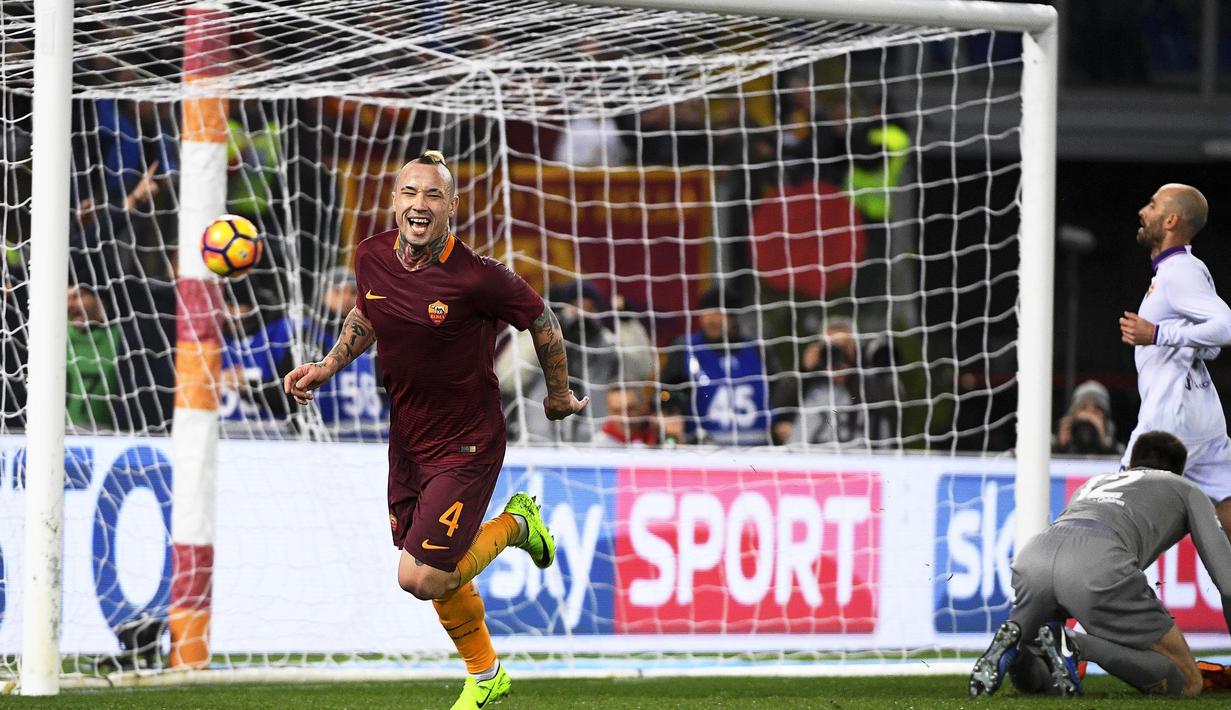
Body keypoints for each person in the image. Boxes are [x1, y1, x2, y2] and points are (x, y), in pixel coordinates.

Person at [283, 150, 587, 710]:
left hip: (467, 440)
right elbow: (368, 314)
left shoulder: (477, 276)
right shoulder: (371, 255)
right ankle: (486, 674)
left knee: (420, 577)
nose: (419, 205)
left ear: (451, 206)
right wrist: (328, 364)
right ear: (394, 201)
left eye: (432, 196)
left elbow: (542, 319)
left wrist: (560, 393)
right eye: (409, 193)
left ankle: (518, 524)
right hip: (408, 438)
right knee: (431, 566)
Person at [969, 431, 1231, 697]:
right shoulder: (1185, 487)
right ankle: (1076, 644)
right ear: (1180, 471)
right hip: (1098, 565)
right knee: (1188, 683)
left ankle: (1019, 652)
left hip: (1034, 557)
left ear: (1128, 464)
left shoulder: (1094, 482)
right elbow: (1228, 583)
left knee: (1041, 684)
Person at [1117, 184, 1231, 537]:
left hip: (1169, 419)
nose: (1143, 211)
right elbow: (1209, 341)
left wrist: (1157, 335)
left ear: (1170, 220)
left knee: (1116, 513)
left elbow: (1226, 326)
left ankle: (1108, 588)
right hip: (1203, 413)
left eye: (1152, 205)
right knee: (1226, 506)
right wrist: (1187, 343)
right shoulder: (1186, 269)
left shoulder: (1179, 271)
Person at [660, 287, 793, 446]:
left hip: (757, 448)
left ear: (732, 317)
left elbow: (778, 391)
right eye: (706, 312)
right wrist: (671, 413)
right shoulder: (685, 348)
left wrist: (783, 420)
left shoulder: (757, 350)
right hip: (702, 449)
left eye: (718, 313)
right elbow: (668, 390)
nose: (711, 319)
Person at [1052, 379, 1123, 456]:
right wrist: (1059, 446)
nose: (1089, 414)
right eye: (1083, 408)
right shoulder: (1053, 444)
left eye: (1096, 409)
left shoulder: (1119, 449)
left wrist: (1107, 445)